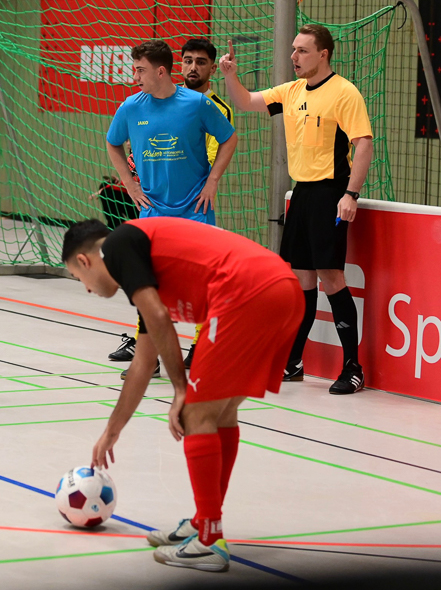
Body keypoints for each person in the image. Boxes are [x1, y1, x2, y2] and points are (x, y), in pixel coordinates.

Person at [62, 217, 303, 572]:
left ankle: (209, 539)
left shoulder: (117, 246)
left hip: (246, 291)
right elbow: (143, 362)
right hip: (283, 290)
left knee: (195, 413)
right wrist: (112, 430)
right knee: (219, 413)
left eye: (77, 277)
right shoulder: (141, 272)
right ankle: (205, 520)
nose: (86, 289)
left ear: (85, 260)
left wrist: (180, 389)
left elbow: (160, 317)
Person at [220, 24, 373, 395]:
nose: (294, 57)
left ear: (323, 54)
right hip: (301, 193)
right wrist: (230, 76)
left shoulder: (345, 92)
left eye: (302, 50)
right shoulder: (290, 91)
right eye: (293, 49)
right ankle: (294, 362)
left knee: (331, 277)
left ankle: (353, 368)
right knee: (302, 279)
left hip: (330, 193)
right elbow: (246, 102)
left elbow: (364, 144)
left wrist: (350, 194)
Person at [105, 39, 238, 379]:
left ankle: (203, 349)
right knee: (147, 286)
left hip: (195, 209)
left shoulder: (197, 104)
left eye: (140, 70)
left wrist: (213, 181)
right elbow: (113, 143)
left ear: (161, 72)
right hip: (153, 212)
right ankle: (148, 358)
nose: (135, 77)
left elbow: (229, 138)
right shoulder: (131, 107)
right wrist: (130, 184)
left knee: (200, 282)